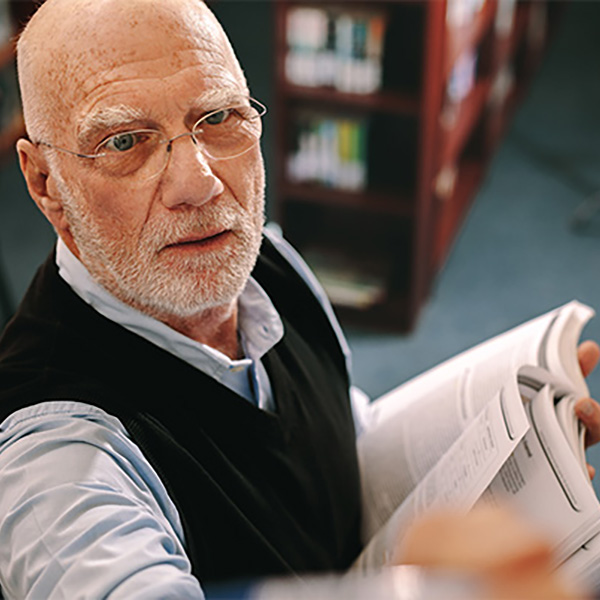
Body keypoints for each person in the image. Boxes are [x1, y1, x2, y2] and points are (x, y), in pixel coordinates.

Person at [0, 0, 599, 598]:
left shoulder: (271, 262)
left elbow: (338, 430)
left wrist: (529, 457)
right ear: (44, 183)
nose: (199, 182)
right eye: (125, 141)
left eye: (217, 116)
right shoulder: (52, 453)